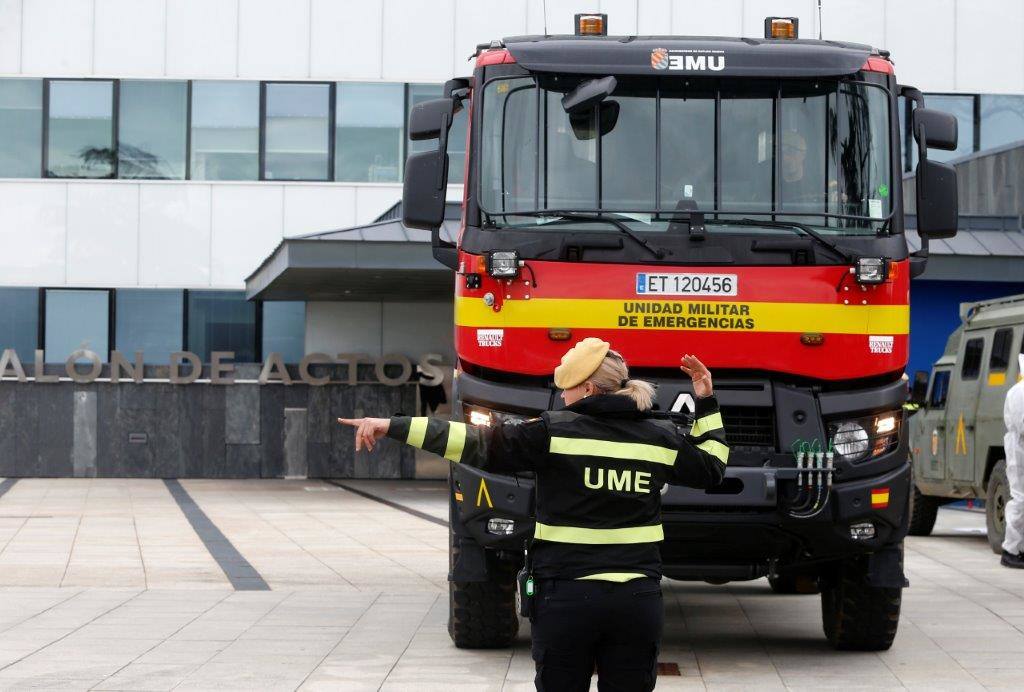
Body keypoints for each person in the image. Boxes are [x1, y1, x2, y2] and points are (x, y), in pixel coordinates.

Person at [338, 338, 729, 691]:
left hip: (567, 599)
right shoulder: (661, 437)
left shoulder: (552, 433)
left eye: (567, 388)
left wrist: (392, 425)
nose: (562, 396)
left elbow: (470, 443)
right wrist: (706, 400)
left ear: (589, 388)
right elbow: (712, 467)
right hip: (637, 600)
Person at [1001, 354, 1024, 569]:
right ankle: (1010, 550)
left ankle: (1019, 548)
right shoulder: (1020, 392)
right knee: (1020, 500)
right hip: (1019, 451)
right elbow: (1022, 424)